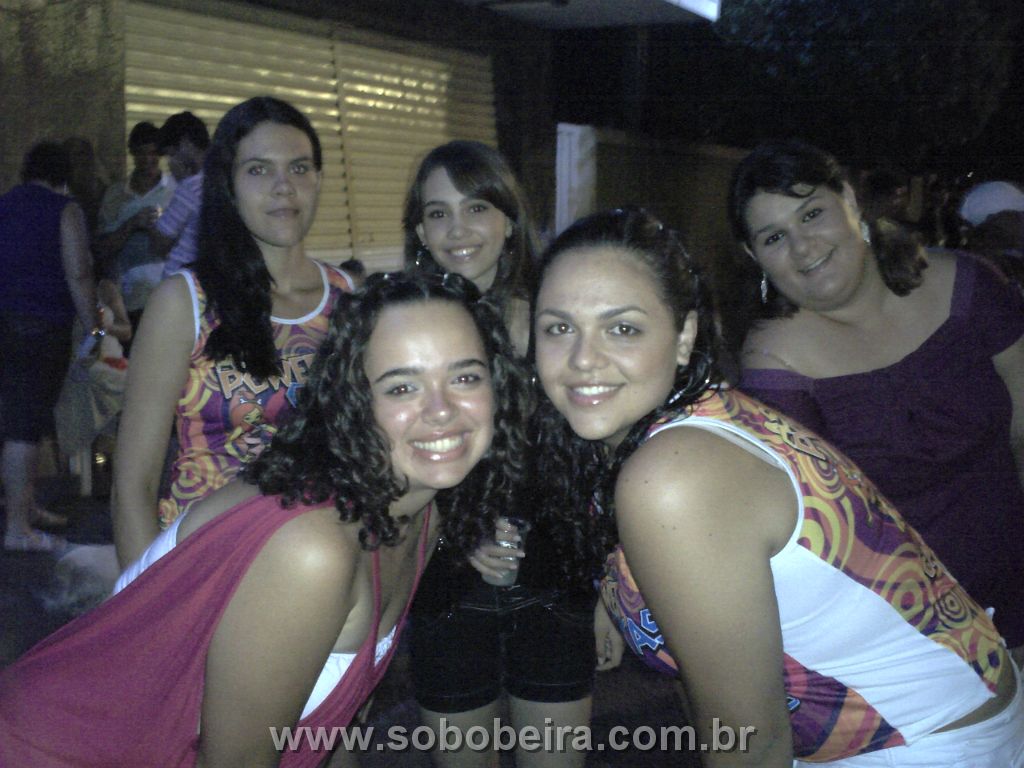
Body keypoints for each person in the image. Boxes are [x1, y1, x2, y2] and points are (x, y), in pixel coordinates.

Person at [531, 206, 1024, 767]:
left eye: (622, 328)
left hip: (929, 746)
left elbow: (751, 743)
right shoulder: (698, 416)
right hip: (963, 711)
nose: (583, 359)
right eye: (559, 328)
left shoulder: (674, 476)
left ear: (684, 335)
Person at [0, 269, 529, 766]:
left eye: (465, 377)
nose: (442, 410)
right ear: (352, 401)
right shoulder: (311, 550)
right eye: (401, 387)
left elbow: (331, 727)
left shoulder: (420, 510)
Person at [722, 140, 1024, 664]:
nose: (803, 247)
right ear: (755, 257)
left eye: (811, 214)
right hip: (912, 630)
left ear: (850, 200)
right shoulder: (776, 364)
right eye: (774, 237)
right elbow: (818, 529)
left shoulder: (969, 285)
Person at [403, 140, 597, 768]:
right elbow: (385, 464)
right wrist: (455, 535)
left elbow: (596, 460)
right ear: (419, 231)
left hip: (558, 586)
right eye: (438, 213)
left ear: (510, 220)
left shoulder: (558, 324)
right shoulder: (402, 332)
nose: (457, 230)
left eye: (477, 208)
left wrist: (613, 592)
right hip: (445, 588)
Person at [112, 96, 355, 569]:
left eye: (300, 168)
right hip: (207, 562)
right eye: (259, 170)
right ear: (227, 183)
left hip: (322, 565)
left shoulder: (350, 301)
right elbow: (132, 484)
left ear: (319, 179)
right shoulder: (185, 303)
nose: (284, 187)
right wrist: (148, 598)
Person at [0, 142, 99, 553]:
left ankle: (24, 506)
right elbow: (79, 272)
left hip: (5, 322)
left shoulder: (5, 204)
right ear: (63, 175)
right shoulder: (64, 209)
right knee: (25, 429)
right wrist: (94, 328)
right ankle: (18, 529)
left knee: (21, 423)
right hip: (41, 328)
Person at [94, 121, 177, 338]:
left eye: (153, 153)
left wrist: (159, 229)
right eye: (141, 153)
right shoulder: (115, 195)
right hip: (127, 302)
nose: (148, 160)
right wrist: (131, 224)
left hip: (169, 298)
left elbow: (191, 246)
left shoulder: (176, 190)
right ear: (132, 153)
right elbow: (102, 250)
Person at [151, 110, 210, 279]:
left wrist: (148, 224)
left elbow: (159, 245)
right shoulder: (225, 175)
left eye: (171, 154)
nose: (170, 162)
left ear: (185, 144)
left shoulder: (192, 185)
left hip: (184, 281)